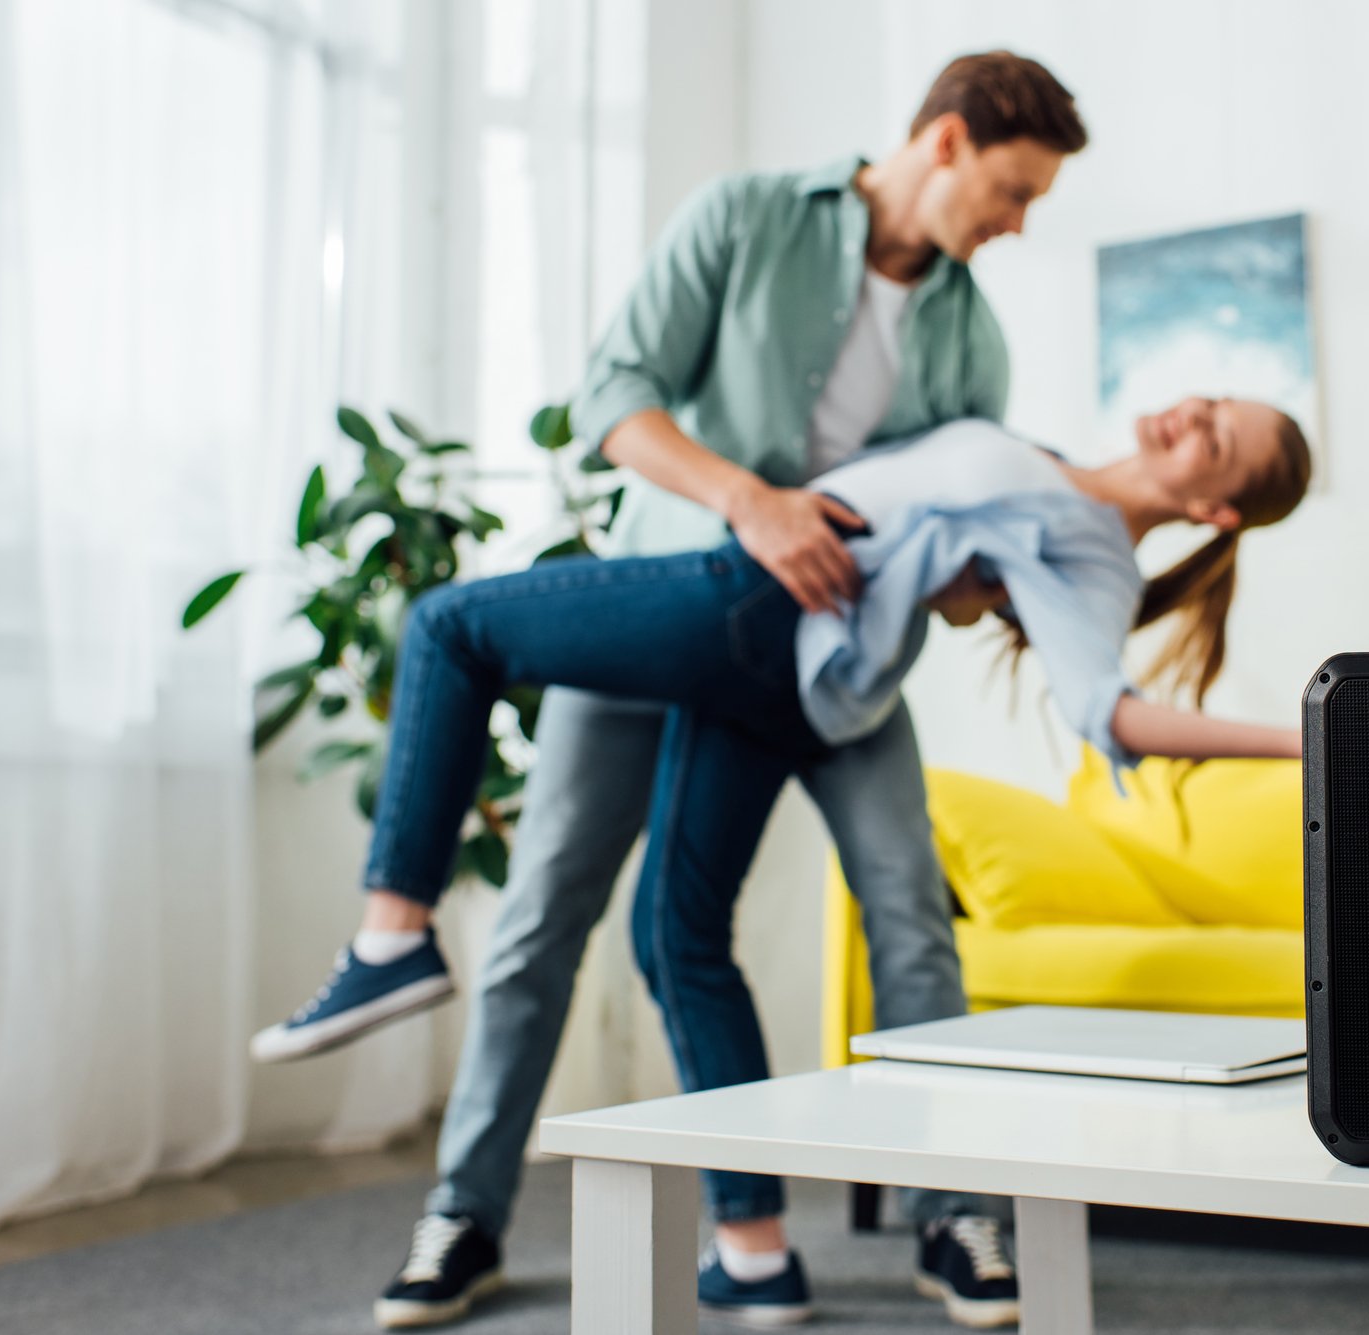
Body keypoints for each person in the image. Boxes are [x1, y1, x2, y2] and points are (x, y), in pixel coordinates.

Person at [253, 52, 1087, 1330]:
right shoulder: (746, 217)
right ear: (948, 139)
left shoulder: (971, 335)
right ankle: (462, 1215)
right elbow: (615, 399)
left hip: (837, 669)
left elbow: (946, 551)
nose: (1017, 223)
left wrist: (1016, 567)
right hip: (659, 611)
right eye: (1013, 190)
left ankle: (950, 1213)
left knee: (910, 912)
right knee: (544, 913)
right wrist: (747, 503)